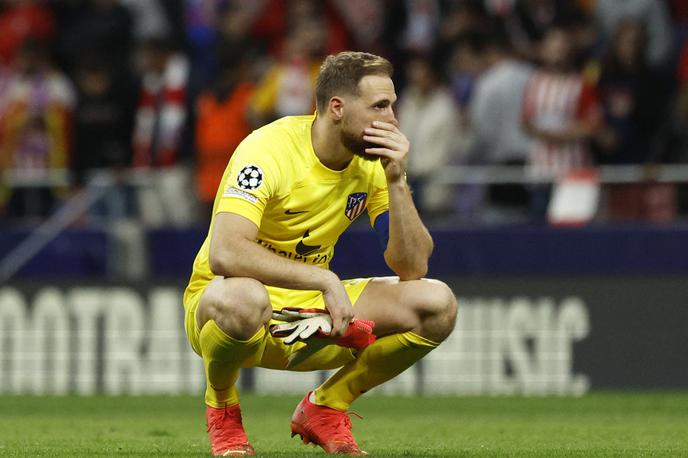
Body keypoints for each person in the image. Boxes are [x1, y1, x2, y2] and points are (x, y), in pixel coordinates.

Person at [183, 51, 458, 456]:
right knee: (244, 298)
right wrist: (324, 279)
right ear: (337, 108)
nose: (393, 119)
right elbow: (225, 252)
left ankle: (327, 406)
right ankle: (222, 404)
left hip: (309, 316)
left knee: (438, 303)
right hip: (226, 306)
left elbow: (412, 266)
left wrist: (397, 180)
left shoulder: (372, 166)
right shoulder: (268, 150)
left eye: (393, 106)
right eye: (380, 106)